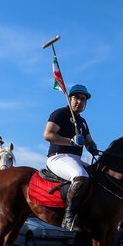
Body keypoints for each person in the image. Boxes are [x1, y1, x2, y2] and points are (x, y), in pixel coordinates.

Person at [43, 84, 99, 231]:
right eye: (76, 98)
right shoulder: (60, 114)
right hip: (58, 156)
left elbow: (89, 140)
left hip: (75, 158)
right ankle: (68, 218)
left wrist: (92, 147)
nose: (79, 101)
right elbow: (48, 135)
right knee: (80, 176)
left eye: (83, 99)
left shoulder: (83, 121)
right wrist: (70, 141)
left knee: (99, 174)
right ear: (69, 98)